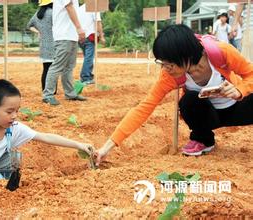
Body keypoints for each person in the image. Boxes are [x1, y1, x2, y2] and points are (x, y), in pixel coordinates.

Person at [95, 24, 253, 165]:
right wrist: (107, 146)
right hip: (210, 117)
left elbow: (250, 74)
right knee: (188, 101)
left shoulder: (221, 52)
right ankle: (203, 139)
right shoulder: (169, 76)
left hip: (236, 107)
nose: (165, 68)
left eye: (168, 63)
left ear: (186, 56)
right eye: (162, 63)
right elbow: (144, 107)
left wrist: (239, 91)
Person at [0, 79, 94, 192]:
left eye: (17, 110)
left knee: (15, 157)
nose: (15, 116)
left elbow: (46, 137)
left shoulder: (13, 127)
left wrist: (78, 144)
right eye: (9, 112)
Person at [42, 0, 87, 106]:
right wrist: (79, 28)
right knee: (57, 66)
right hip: (64, 35)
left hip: (71, 35)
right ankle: (48, 95)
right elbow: (69, 7)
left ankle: (70, 93)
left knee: (69, 67)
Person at [27, 0, 57, 94]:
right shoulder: (53, 13)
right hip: (54, 43)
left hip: (43, 44)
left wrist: (38, 32)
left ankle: (45, 89)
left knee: (46, 68)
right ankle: (52, 90)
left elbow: (29, 26)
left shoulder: (38, 14)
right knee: (53, 69)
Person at [77, 1, 105, 85]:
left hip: (81, 37)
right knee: (89, 58)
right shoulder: (94, 7)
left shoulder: (80, 8)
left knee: (88, 57)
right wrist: (102, 36)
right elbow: (98, 23)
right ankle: (85, 77)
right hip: (89, 37)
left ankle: (88, 75)